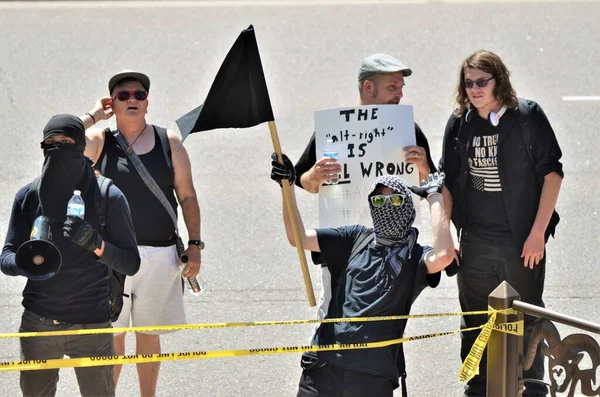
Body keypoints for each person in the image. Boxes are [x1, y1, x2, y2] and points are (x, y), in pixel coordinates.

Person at [271, 153, 455, 397]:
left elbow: (444, 255)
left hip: (372, 375)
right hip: (323, 366)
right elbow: (299, 238)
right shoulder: (354, 238)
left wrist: (434, 197)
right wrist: (288, 187)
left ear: (408, 206)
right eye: (379, 201)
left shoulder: (415, 256)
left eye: (396, 200)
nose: (386, 206)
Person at [438, 49, 563, 397]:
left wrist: (537, 234)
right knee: (476, 321)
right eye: (469, 83)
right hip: (475, 240)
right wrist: (446, 234)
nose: (475, 89)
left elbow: (552, 175)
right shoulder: (460, 122)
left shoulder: (526, 116)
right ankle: (479, 388)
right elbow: (445, 182)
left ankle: (533, 387)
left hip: (519, 240)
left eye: (482, 81)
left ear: (499, 80)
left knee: (525, 318)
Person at [81, 70, 203, 396]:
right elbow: (60, 142)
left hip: (161, 254)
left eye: (139, 95)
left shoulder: (170, 142)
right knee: (113, 338)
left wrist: (195, 245)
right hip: (112, 256)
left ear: (147, 102)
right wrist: (94, 115)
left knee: (149, 337)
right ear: (113, 103)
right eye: (124, 96)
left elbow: (187, 196)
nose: (132, 100)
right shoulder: (99, 141)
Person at [0, 114, 140, 397]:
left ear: (80, 146)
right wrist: (24, 263)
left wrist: (96, 243)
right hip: (38, 324)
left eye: (65, 142)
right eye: (50, 143)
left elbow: (131, 262)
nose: (57, 148)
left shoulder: (108, 196)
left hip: (93, 326)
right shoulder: (28, 196)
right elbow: (6, 256)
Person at [294, 53, 437, 193]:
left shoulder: (408, 129)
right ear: (369, 87)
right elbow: (302, 181)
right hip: (347, 216)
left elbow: (429, 191)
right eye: (392, 87)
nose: (400, 94)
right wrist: (314, 176)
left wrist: (424, 170)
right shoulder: (334, 127)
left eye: (401, 87)